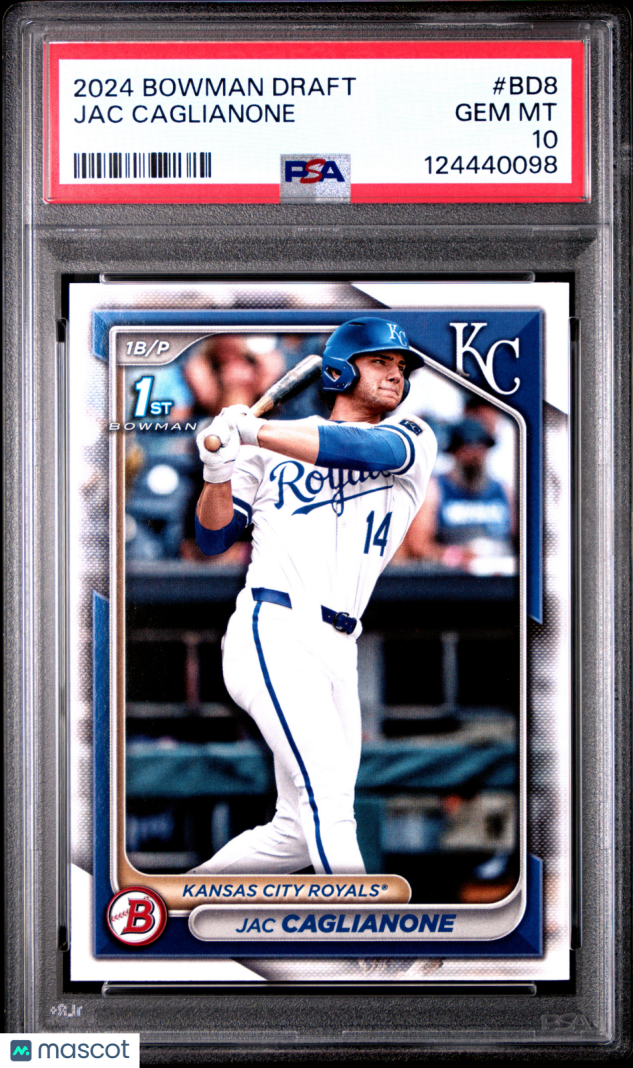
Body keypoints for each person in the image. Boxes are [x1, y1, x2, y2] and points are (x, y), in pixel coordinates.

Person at [188, 317, 437, 876]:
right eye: (380, 362)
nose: (395, 375)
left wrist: (252, 431)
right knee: (330, 802)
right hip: (276, 629)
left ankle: (174, 909)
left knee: (297, 836)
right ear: (341, 370)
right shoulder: (270, 448)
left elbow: (351, 447)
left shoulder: (414, 437)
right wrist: (217, 467)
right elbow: (212, 537)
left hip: (340, 648)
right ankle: (366, 930)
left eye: (401, 367)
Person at [397, 418, 514, 569]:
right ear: (453, 451)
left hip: (499, 570)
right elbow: (418, 545)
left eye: (480, 447)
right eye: (467, 447)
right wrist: (455, 556)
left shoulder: (503, 490)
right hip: (452, 574)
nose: (474, 454)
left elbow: (521, 538)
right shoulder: (435, 489)